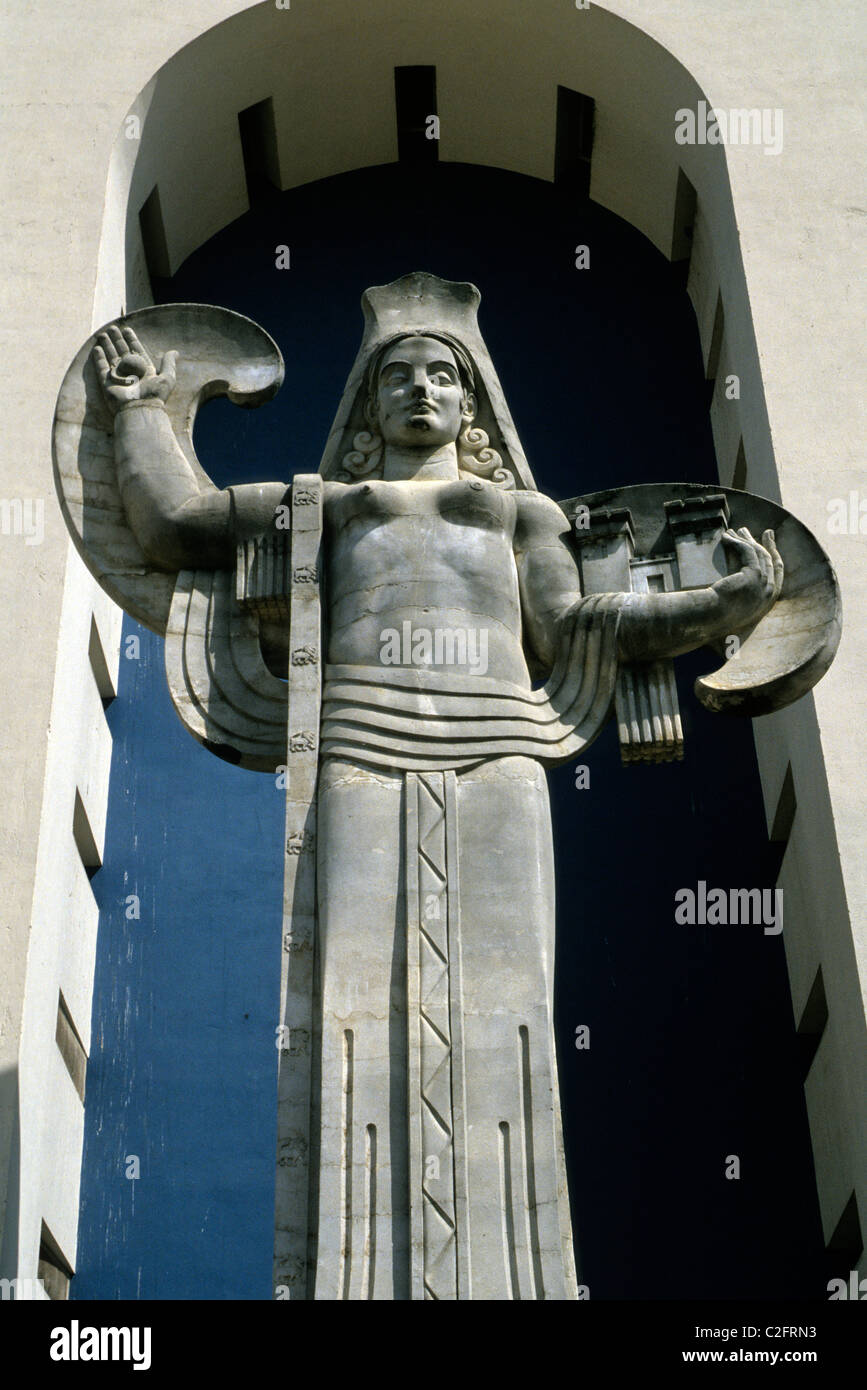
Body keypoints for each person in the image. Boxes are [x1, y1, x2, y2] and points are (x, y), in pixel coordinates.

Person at [93, 306, 782, 1299]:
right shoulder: (324, 504)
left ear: (473, 404)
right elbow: (173, 521)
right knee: (354, 998)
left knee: (512, 1007)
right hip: (359, 752)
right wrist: (139, 412)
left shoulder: (521, 514)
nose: (422, 388)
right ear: (369, 407)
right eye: (398, 376)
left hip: (499, 754)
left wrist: (711, 608)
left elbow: (573, 622)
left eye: (442, 376)